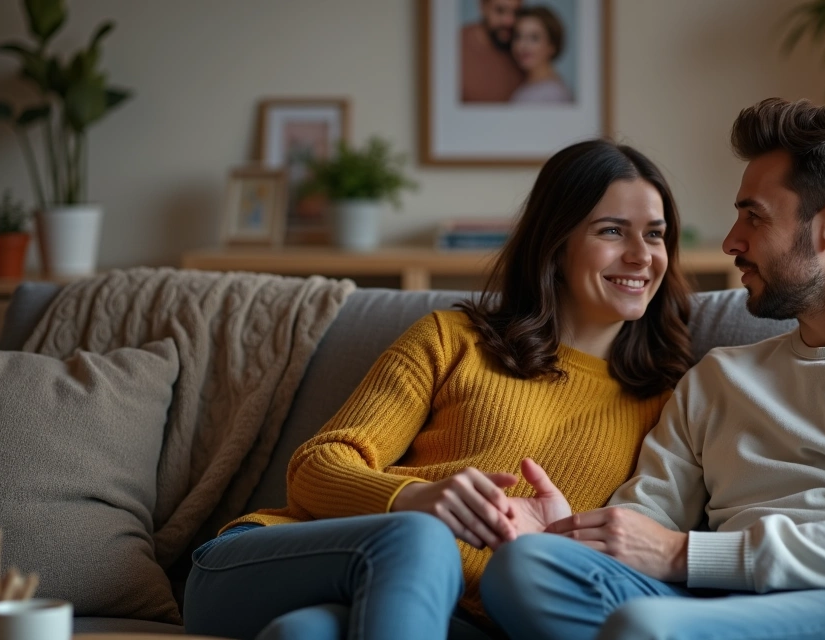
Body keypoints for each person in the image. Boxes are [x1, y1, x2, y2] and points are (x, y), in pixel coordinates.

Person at [480, 97, 825, 640]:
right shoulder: (719, 379)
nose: (730, 242)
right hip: (708, 605)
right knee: (525, 570)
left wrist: (682, 554)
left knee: (647, 628)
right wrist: (565, 536)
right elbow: (644, 525)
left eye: (753, 216)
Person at [182, 138, 694, 640]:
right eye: (612, 231)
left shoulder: (671, 403)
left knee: (306, 632)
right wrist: (417, 498)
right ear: (555, 245)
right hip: (273, 560)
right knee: (420, 538)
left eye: (654, 235)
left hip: (456, 615)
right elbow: (316, 468)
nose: (640, 255)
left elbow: (635, 559)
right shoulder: (454, 340)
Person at [460, 0, 525, 103]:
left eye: (516, 13)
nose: (509, 21)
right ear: (482, 7)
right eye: (500, 10)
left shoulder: (523, 50)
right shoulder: (456, 45)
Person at [509, 6, 574, 104]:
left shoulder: (554, 94)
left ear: (552, 45)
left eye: (534, 38)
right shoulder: (525, 87)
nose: (522, 45)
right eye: (518, 36)